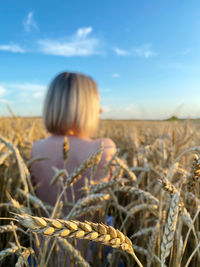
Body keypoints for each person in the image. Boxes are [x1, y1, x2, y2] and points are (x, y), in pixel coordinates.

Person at [31, 72, 116, 214]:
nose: (100, 110)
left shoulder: (37, 148)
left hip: (43, 235)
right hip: (95, 236)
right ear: (86, 110)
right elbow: (115, 195)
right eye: (96, 105)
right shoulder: (104, 147)